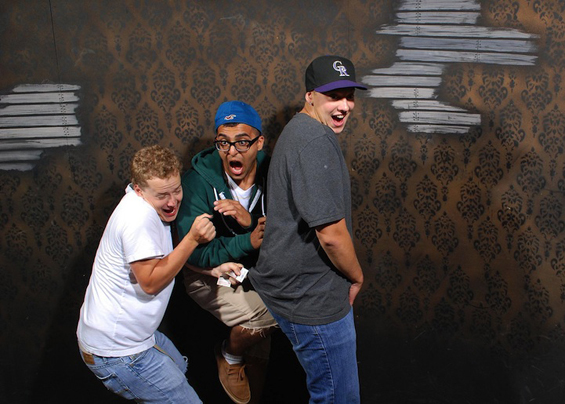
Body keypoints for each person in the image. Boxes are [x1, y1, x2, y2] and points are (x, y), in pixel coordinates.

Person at [77, 145, 237, 403]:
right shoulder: (138, 218)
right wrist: (192, 239)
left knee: (179, 368)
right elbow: (150, 283)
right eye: (163, 195)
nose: (172, 202)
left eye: (176, 190)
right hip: (118, 351)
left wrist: (211, 269)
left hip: (132, 337)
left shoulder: (147, 206)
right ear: (139, 190)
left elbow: (162, 260)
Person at [250, 55, 366, 403]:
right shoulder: (313, 141)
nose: (344, 106)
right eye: (334, 96)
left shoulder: (303, 130)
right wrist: (357, 277)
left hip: (298, 289)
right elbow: (330, 235)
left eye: (349, 96)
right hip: (310, 298)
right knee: (338, 398)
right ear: (310, 96)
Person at [176, 101, 277, 404]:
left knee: (259, 355)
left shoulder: (275, 173)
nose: (232, 151)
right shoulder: (197, 182)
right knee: (277, 313)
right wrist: (247, 241)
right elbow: (192, 255)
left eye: (242, 142)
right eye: (224, 142)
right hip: (207, 275)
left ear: (259, 142)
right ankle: (229, 355)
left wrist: (250, 223)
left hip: (258, 272)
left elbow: (288, 233)